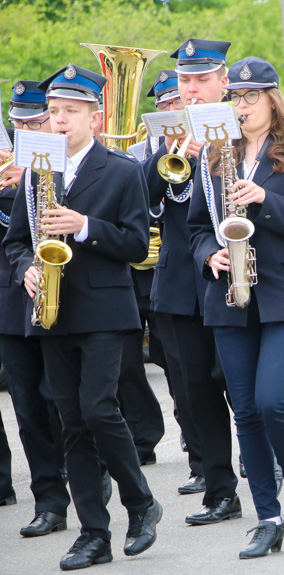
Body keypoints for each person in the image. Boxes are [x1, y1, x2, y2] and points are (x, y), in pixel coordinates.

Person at [3, 64, 160, 570]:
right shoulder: (37, 171)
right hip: (50, 312)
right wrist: (27, 269)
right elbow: (16, 244)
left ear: (95, 114)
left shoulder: (121, 170)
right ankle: (95, 534)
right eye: (54, 112)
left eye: (71, 111)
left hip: (104, 309)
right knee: (70, 421)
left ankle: (139, 502)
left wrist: (86, 226)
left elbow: (137, 244)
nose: (60, 120)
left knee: (97, 409)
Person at [187, 57, 284, 559]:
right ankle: (267, 517)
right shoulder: (214, 157)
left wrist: (264, 196)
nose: (242, 106)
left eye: (252, 97)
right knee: (244, 411)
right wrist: (210, 254)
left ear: (272, 99)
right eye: (236, 98)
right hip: (230, 296)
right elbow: (196, 228)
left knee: (272, 401)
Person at [142, 38, 243, 524]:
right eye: (184, 80)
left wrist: (217, 154)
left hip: (233, 269)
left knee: (241, 383)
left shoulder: (245, 123)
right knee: (194, 390)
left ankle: (265, 463)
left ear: (223, 81)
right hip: (180, 281)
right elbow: (141, 194)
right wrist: (170, 154)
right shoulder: (164, 131)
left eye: (201, 79)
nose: (191, 89)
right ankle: (217, 486)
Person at [0, 80, 72, 537]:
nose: (26, 129)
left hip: (62, 295)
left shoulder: (68, 167)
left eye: (35, 121)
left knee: (63, 400)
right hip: (10, 301)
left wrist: (25, 181)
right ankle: (49, 499)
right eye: (18, 123)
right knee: (27, 406)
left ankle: (88, 471)